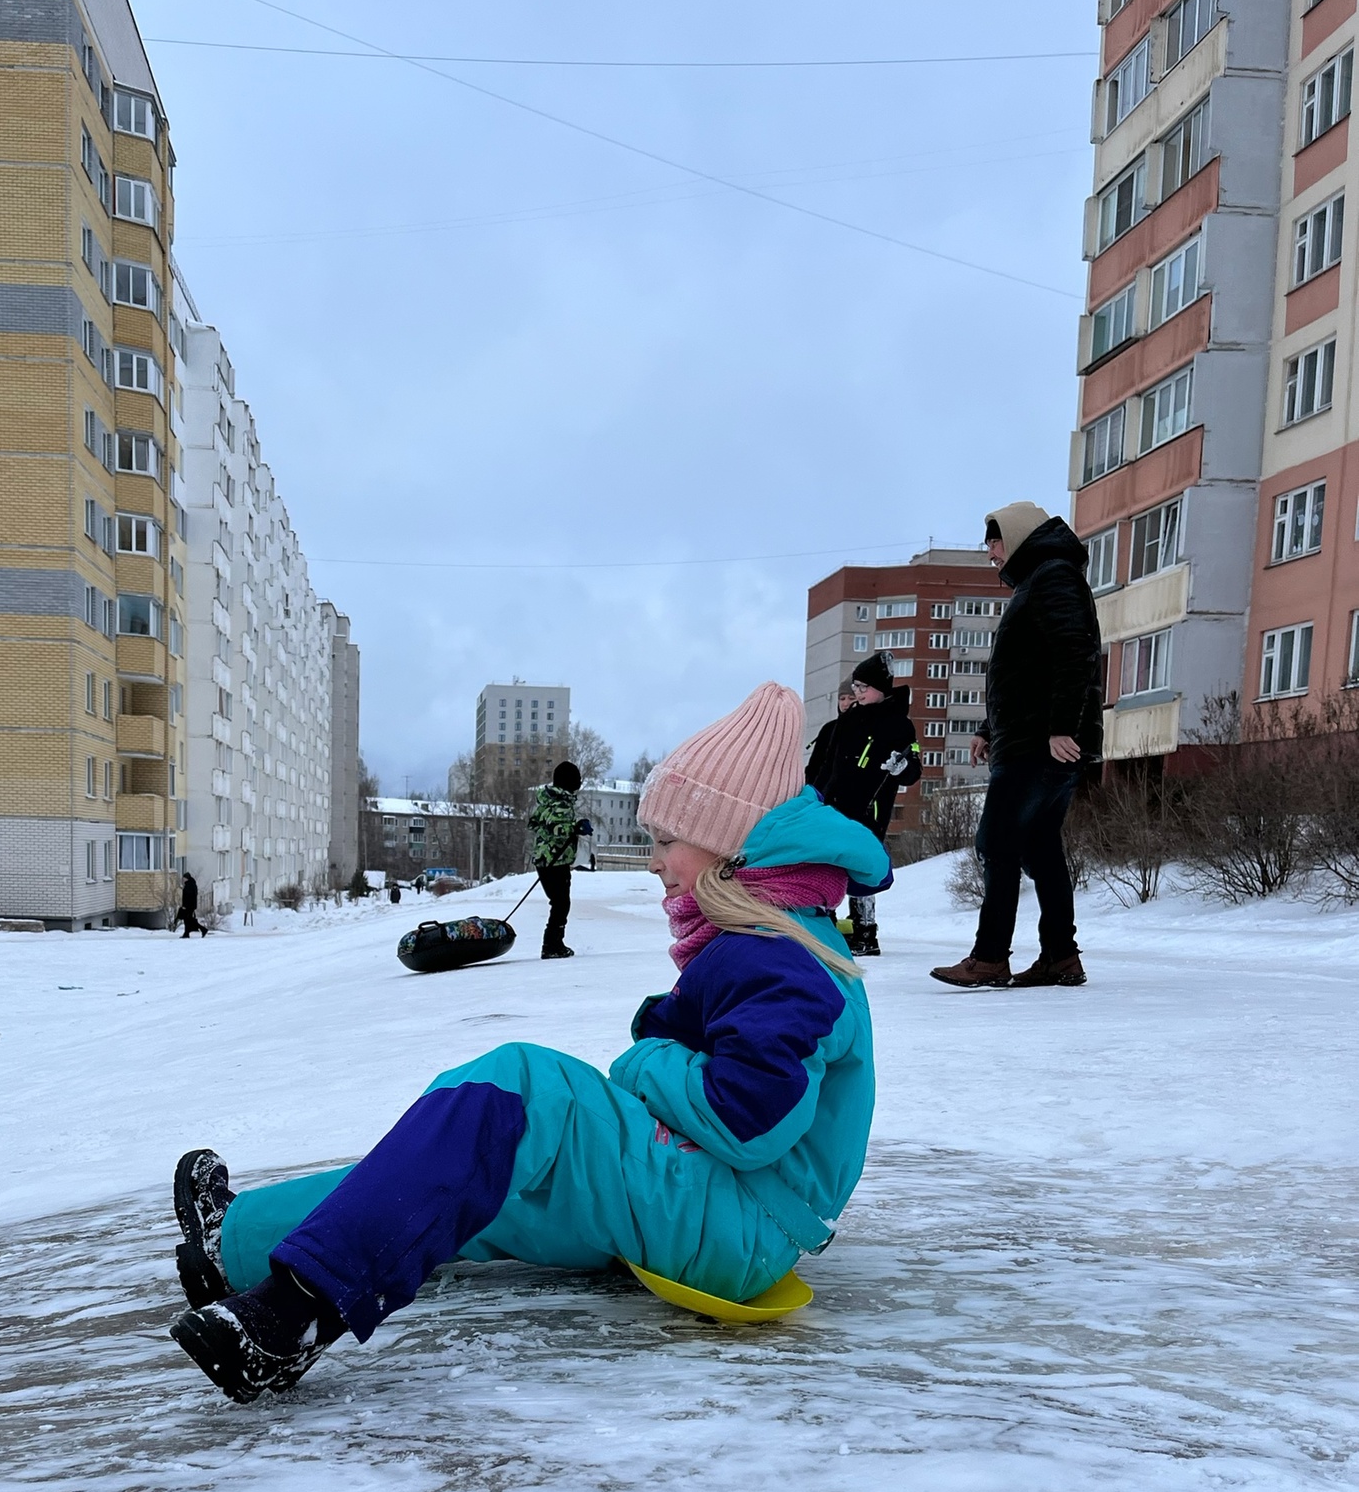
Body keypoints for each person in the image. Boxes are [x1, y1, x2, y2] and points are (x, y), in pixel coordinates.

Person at [167, 681, 891, 1403]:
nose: (655, 861)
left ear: (731, 844)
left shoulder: (784, 955)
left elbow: (747, 1117)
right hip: (717, 1211)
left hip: (739, 1222)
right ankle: (238, 1240)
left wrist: (650, 1059)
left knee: (519, 1088)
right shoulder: (765, 939)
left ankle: (291, 1317)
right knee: (477, 1172)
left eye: (666, 840)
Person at [931, 502, 1103, 990]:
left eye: (994, 542)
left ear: (1018, 536)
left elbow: (1076, 651)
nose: (990, 554)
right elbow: (1025, 671)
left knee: (997, 842)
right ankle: (1060, 957)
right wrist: (990, 728)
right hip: (1031, 738)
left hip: (1041, 744)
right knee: (1040, 846)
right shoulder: (1040, 581)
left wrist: (1061, 727)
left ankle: (989, 958)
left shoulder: (1052, 578)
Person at [804, 655, 919, 955]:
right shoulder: (848, 720)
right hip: (833, 806)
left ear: (880, 687)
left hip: (870, 810)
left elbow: (914, 766)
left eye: (863, 687)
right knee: (826, 862)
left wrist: (902, 766)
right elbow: (828, 764)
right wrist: (814, 795)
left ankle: (865, 929)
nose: (857, 693)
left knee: (861, 866)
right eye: (855, 687)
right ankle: (823, 923)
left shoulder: (899, 724)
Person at [527, 758, 591, 960]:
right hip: (555, 860)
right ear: (569, 781)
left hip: (546, 859)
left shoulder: (547, 799)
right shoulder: (560, 802)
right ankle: (552, 944)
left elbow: (535, 823)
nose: (579, 783)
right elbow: (554, 828)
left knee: (559, 902)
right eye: (577, 779)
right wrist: (575, 827)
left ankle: (553, 942)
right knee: (561, 903)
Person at [174, 870, 208, 939]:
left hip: (189, 906)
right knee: (188, 920)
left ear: (187, 878)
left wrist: (185, 906)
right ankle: (187, 933)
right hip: (190, 906)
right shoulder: (191, 884)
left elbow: (188, 897)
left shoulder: (189, 885)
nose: (183, 879)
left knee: (189, 920)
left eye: (184, 878)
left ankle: (203, 929)